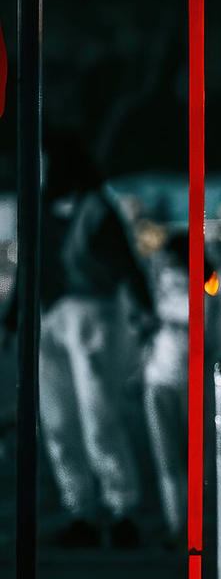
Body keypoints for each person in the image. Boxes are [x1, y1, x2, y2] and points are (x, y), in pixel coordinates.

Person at [4, 133, 153, 548]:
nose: (40, 168)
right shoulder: (38, 209)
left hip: (90, 315)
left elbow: (125, 262)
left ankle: (120, 506)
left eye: (46, 161)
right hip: (49, 315)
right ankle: (82, 508)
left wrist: (143, 309)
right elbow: (27, 270)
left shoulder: (94, 206)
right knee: (57, 419)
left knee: (98, 414)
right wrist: (14, 317)